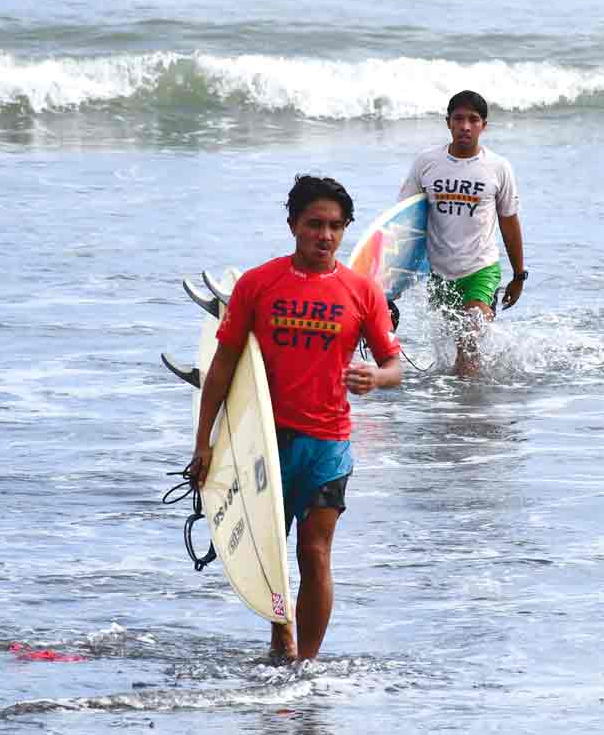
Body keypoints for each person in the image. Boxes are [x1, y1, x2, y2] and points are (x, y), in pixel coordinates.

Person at [188, 175, 402, 662]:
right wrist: (205, 442)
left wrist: (377, 377)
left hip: (327, 444)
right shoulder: (259, 284)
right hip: (266, 440)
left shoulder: (361, 292)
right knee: (270, 553)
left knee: (315, 553)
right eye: (314, 225)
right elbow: (223, 367)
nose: (324, 236)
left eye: (335, 226)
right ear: (293, 226)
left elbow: (394, 365)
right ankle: (280, 633)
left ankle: (306, 663)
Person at [399, 89, 526, 376]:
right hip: (440, 272)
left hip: (481, 268)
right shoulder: (426, 163)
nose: (465, 126)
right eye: (458, 118)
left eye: (473, 119)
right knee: (451, 348)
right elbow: (405, 221)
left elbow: (509, 222)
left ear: (484, 125)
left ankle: (467, 413)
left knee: (468, 337)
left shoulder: (498, 168)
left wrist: (519, 275)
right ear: (448, 122)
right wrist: (391, 284)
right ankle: (461, 404)